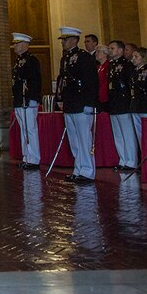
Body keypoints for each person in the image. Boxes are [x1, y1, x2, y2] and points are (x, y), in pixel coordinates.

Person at [56, 27, 98, 185]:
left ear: (74, 40)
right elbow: (62, 80)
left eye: (66, 39)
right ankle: (78, 168)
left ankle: (87, 171)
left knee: (84, 138)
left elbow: (91, 81)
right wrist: (59, 98)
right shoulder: (65, 58)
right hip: (70, 103)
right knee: (73, 139)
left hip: (81, 103)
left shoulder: (84, 57)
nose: (64, 43)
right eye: (63, 40)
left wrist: (89, 103)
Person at [11, 33, 42, 169]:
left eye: (17, 43)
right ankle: (26, 156)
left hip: (28, 99)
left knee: (30, 129)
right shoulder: (18, 61)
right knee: (23, 129)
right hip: (19, 99)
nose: (14, 46)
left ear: (24, 44)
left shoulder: (31, 60)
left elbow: (36, 81)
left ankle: (34, 158)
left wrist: (33, 98)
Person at [106, 40, 136, 171]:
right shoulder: (111, 65)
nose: (110, 51)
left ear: (120, 50)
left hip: (124, 102)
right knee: (118, 134)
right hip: (114, 102)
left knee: (127, 133)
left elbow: (129, 84)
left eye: (112, 48)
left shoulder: (126, 65)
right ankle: (122, 159)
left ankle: (131, 161)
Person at [129, 45, 147, 145]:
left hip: (145, 105)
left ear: (143, 57)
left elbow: (145, 85)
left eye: (136, 56)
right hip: (135, 105)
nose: (133, 59)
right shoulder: (134, 71)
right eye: (133, 56)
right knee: (139, 135)